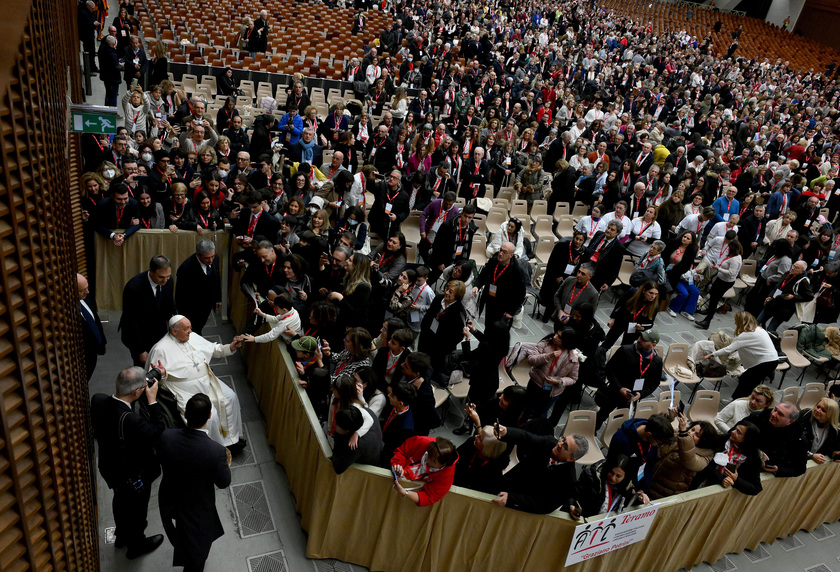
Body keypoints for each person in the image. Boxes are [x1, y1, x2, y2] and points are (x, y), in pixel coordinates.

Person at [91, 367, 166, 559]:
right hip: (133, 476)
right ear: (137, 392)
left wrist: (155, 373)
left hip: (110, 468)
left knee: (119, 501)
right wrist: (152, 400)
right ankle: (136, 545)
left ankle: (122, 536)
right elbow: (156, 433)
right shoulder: (132, 421)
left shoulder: (98, 400)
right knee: (137, 510)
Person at [146, 315, 247, 452]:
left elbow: (213, 349)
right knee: (210, 417)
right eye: (186, 328)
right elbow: (155, 379)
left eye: (190, 327)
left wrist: (230, 347)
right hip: (185, 391)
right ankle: (214, 449)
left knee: (230, 397)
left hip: (208, 383)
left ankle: (232, 439)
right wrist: (163, 374)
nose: (190, 331)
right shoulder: (160, 349)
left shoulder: (192, 337)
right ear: (174, 331)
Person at [157, 393, 232, 572]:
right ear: (209, 416)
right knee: (196, 556)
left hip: (171, 497)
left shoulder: (167, 436)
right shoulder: (216, 452)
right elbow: (223, 482)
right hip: (196, 508)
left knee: (180, 537)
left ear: (185, 413)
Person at [493, 424, 589, 515]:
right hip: (510, 481)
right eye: (563, 439)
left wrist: (512, 499)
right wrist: (507, 432)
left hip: (520, 504)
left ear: (571, 459)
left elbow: (546, 505)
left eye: (565, 446)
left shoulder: (568, 479)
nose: (560, 444)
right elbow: (528, 438)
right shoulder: (550, 443)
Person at [595, 330, 664, 429]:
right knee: (602, 414)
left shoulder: (657, 361)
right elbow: (609, 369)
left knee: (619, 421)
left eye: (644, 340)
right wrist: (619, 388)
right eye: (640, 337)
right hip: (614, 392)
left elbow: (655, 382)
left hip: (632, 398)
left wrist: (641, 394)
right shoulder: (625, 350)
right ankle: (592, 431)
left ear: (653, 345)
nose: (639, 340)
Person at [704, 312, 778, 399]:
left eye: (736, 320)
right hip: (772, 360)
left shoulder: (746, 335)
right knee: (744, 379)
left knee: (747, 383)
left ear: (740, 322)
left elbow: (729, 349)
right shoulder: (759, 329)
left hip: (764, 364)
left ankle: (739, 401)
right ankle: (738, 400)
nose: (735, 322)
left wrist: (712, 354)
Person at [119, 255, 176, 366]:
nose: (165, 280)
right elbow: (131, 322)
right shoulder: (133, 288)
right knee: (144, 370)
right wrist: (140, 350)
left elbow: (169, 304)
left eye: (168, 276)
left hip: (160, 332)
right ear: (151, 272)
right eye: (161, 277)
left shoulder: (169, 281)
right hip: (140, 337)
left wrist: (175, 324)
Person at [647, 413, 717, 500]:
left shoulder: (704, 456)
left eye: (697, 435)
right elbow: (664, 432)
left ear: (704, 440)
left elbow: (688, 458)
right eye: (692, 429)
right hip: (649, 483)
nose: (691, 433)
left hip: (665, 495)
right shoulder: (679, 437)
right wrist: (669, 418)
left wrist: (684, 433)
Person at [523, 327, 580, 422]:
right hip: (536, 383)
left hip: (552, 390)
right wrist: (548, 355)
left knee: (541, 414)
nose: (555, 336)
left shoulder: (573, 357)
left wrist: (559, 381)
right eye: (556, 333)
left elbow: (573, 378)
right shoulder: (545, 344)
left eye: (559, 336)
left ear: (567, 341)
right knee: (526, 408)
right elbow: (531, 360)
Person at [606, 413, 674, 490]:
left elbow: (650, 463)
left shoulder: (653, 436)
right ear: (649, 434)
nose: (659, 446)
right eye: (659, 443)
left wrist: (643, 487)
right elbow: (614, 469)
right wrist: (632, 490)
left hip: (638, 482)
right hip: (621, 484)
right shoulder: (621, 439)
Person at [694, 421, 763, 496]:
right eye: (735, 429)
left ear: (747, 439)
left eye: (738, 432)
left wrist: (736, 480)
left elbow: (756, 489)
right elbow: (705, 465)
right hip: (701, 484)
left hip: (721, 496)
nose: (733, 432)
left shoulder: (753, 458)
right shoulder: (723, 440)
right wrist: (721, 479)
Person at [742, 402, 808, 478]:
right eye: (775, 410)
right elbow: (732, 434)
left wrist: (778, 469)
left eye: (780, 414)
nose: (773, 414)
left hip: (759, 474)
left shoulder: (798, 440)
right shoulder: (757, 418)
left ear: (790, 422)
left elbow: (799, 469)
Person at [391, 436, 458, 506]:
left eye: (433, 461)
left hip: (409, 500)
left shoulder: (447, 475)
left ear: (443, 464)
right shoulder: (423, 442)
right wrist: (398, 464)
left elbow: (429, 497)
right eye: (428, 455)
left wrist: (404, 492)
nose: (427, 460)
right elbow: (401, 452)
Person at [576, 455, 648, 517]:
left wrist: (639, 498)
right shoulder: (591, 477)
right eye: (611, 472)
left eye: (618, 476)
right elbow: (574, 496)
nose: (613, 478)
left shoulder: (626, 485)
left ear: (625, 477)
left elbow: (627, 501)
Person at [175, 239, 221, 335]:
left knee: (200, 326)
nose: (211, 260)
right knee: (194, 331)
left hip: (207, 304)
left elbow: (216, 278)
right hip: (193, 308)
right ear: (198, 254)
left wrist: (217, 298)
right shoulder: (185, 269)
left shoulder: (215, 258)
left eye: (212, 256)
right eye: (207, 258)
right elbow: (180, 296)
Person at [473, 242, 526, 325]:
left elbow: (520, 293)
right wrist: (477, 286)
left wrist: (511, 312)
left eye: (504, 252)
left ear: (511, 255)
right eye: (500, 250)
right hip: (490, 299)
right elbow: (483, 275)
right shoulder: (493, 260)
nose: (500, 254)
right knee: (488, 325)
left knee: (497, 332)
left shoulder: (517, 270)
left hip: (503, 305)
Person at [695, 239, 743, 329]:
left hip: (725, 282)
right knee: (712, 293)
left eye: (729, 248)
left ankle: (707, 321)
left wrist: (718, 268)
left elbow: (731, 273)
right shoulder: (734, 256)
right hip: (721, 279)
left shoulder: (735, 260)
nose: (727, 250)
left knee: (714, 300)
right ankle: (708, 310)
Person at [756, 260, 813, 333]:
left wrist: (794, 297)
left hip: (784, 308)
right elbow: (778, 286)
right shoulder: (787, 273)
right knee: (759, 321)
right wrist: (770, 296)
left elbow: (809, 296)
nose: (793, 268)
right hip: (773, 302)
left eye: (797, 268)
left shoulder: (803, 281)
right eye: (793, 265)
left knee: (771, 329)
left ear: (802, 271)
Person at [453, 425, 509, 494]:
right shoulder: (471, 442)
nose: (476, 436)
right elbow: (452, 457)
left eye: (480, 438)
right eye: (479, 434)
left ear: (487, 448)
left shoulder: (495, 470)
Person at [603, 281, 660, 349]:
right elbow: (620, 304)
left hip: (633, 328)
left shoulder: (654, 306)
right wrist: (612, 317)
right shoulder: (632, 293)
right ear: (644, 291)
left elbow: (650, 324)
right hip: (621, 321)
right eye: (651, 293)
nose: (653, 296)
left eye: (656, 294)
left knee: (625, 348)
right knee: (607, 342)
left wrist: (642, 327)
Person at [332, 405, 384, 474]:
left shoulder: (355, 445)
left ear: (347, 430)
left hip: (367, 470)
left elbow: (338, 468)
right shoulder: (369, 413)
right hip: (378, 450)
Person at [77, 273, 106, 380]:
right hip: (83, 357)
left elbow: (95, 320)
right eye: (82, 290)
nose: (87, 292)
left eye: (87, 288)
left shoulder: (86, 298)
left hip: (94, 352)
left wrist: (102, 341)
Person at [800, 398, 840, 464]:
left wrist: (835, 455)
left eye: (823, 410)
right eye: (818, 407)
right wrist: (811, 455)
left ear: (830, 415)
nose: (818, 410)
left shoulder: (834, 430)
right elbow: (792, 442)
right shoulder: (804, 417)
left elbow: (830, 449)